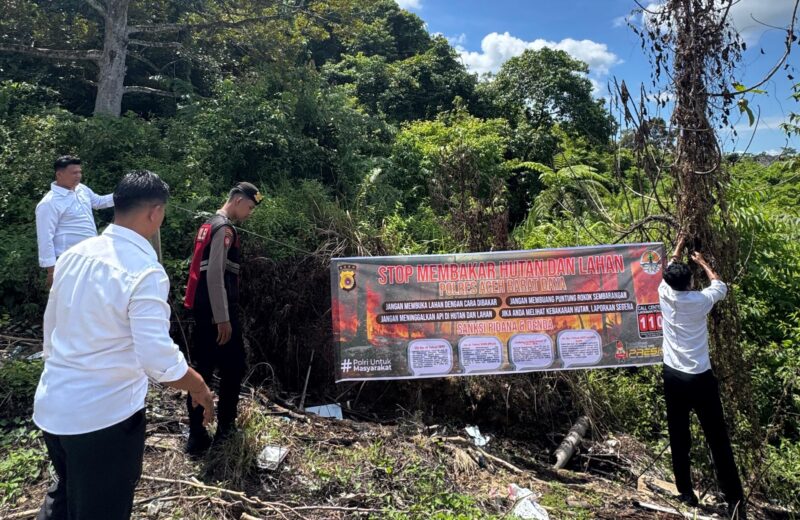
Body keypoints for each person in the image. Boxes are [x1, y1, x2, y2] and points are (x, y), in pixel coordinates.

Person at [33, 170, 215, 520]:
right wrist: (199, 387)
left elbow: (50, 326)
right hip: (103, 419)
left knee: (66, 497)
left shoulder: (75, 254)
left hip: (54, 406)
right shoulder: (145, 271)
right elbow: (157, 359)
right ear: (155, 212)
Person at [659, 235, 746, 519]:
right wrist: (703, 263)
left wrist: (678, 246)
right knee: (717, 439)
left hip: (673, 377)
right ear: (690, 283)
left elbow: (670, 266)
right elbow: (720, 285)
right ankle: (735, 502)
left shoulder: (664, 292)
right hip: (700, 378)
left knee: (678, 434)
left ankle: (685, 491)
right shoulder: (699, 300)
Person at [183, 182, 261, 455]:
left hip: (202, 312)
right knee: (233, 369)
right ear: (238, 200)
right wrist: (224, 318)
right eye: (249, 207)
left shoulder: (207, 225)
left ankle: (196, 435)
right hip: (219, 314)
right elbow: (215, 275)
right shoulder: (225, 229)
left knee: (201, 371)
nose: (249, 213)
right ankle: (225, 429)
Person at [35, 155, 115, 288]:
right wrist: (51, 271)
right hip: (69, 260)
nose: (78, 176)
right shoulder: (49, 203)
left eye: (79, 172)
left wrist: (124, 194)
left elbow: (99, 202)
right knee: (70, 301)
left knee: (90, 299)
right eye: (74, 173)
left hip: (91, 256)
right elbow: (45, 238)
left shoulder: (82, 189)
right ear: (59, 174)